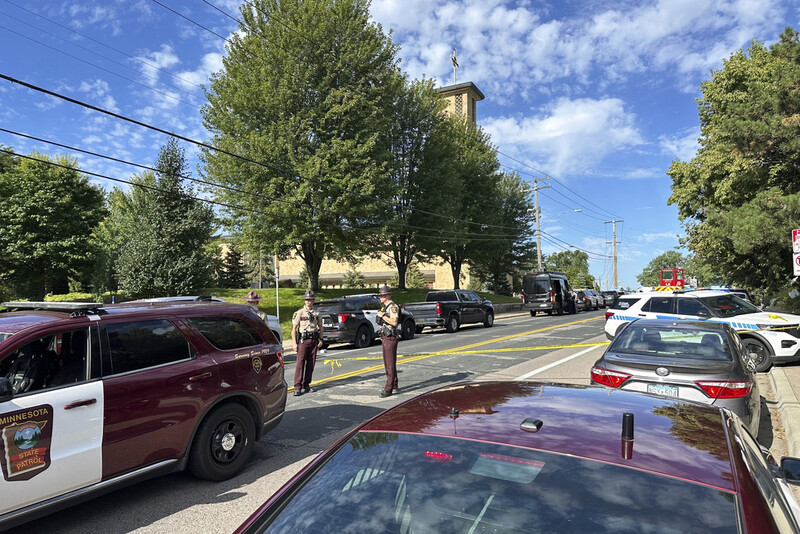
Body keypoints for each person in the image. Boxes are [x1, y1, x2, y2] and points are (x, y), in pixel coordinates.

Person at [290, 290, 323, 396]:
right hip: (303, 341)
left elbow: (320, 327)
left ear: (313, 301)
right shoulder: (299, 313)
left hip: (313, 340)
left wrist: (321, 339)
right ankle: (297, 386)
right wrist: (294, 343)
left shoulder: (317, 313)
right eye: (306, 300)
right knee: (300, 363)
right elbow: (294, 329)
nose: (308, 301)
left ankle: (306, 384)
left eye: (310, 300)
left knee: (311, 363)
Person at [376, 285, 400, 398]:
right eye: (380, 295)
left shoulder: (393, 307)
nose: (380, 297)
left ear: (387, 296)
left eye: (382, 295)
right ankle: (394, 385)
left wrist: (382, 316)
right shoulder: (385, 307)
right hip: (385, 337)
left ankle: (388, 388)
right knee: (388, 363)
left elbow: (394, 322)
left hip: (390, 337)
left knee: (390, 364)